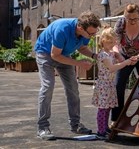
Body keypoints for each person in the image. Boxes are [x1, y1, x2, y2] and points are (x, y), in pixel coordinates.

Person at [34, 11, 101, 140]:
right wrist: (79, 63)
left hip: (63, 55)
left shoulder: (86, 31)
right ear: (80, 27)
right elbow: (55, 55)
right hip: (46, 54)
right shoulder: (62, 29)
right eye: (91, 33)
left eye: (94, 33)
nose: (92, 36)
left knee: (73, 89)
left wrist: (94, 56)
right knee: (48, 86)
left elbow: (81, 47)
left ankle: (75, 125)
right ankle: (42, 127)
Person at [111, 4, 139, 127]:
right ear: (125, 16)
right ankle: (116, 119)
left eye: (134, 18)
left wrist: (137, 57)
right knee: (118, 85)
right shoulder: (120, 24)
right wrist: (121, 58)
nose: (132, 21)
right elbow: (115, 44)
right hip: (123, 56)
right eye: (129, 18)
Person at [91, 26, 134, 139]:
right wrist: (126, 63)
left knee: (108, 107)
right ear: (103, 41)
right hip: (104, 85)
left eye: (113, 42)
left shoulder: (111, 53)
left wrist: (121, 57)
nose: (111, 44)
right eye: (110, 42)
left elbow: (121, 60)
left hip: (109, 84)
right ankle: (101, 131)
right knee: (102, 108)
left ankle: (105, 128)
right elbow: (112, 68)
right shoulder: (103, 55)